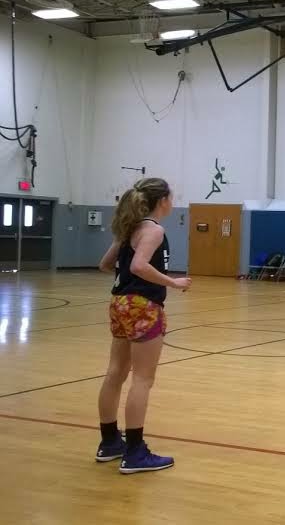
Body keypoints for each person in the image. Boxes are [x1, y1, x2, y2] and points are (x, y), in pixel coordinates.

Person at [96, 178, 191, 474]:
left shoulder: (129, 229)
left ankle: (110, 442)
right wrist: (172, 282)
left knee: (115, 373)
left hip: (119, 303)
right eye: (171, 197)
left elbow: (105, 264)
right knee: (142, 379)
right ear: (162, 201)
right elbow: (138, 266)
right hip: (143, 305)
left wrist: (126, 271)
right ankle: (135, 452)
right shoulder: (154, 230)